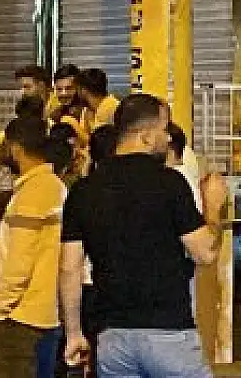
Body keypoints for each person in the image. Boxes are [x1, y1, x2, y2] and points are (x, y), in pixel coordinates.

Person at [60, 94, 227, 378]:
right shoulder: (169, 183)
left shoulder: (83, 190)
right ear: (146, 136)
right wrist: (213, 208)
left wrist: (74, 333)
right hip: (168, 333)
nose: (168, 138)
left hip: (112, 337)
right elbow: (205, 253)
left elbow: (69, 267)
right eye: (164, 129)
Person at [0, 115, 67, 377]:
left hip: (20, 318)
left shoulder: (35, 191)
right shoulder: (52, 186)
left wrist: (0, 307)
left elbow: (20, 260)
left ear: (16, 148)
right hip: (39, 313)